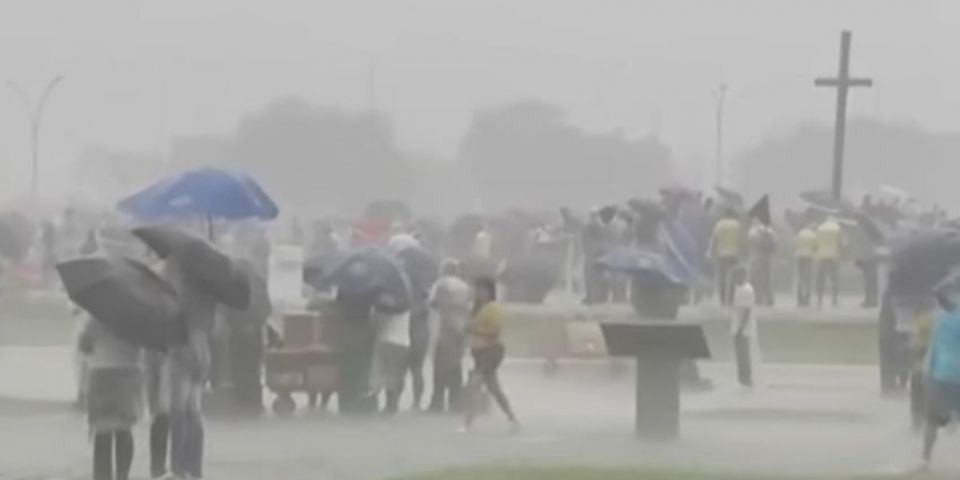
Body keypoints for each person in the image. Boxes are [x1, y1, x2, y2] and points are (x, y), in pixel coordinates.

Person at [78, 316, 142, 480]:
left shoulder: (98, 315)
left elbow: (84, 345)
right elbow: (146, 345)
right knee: (124, 428)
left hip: (101, 372)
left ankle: (102, 476)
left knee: (102, 430)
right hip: (129, 371)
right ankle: (123, 476)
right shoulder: (137, 315)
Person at [462, 277, 519, 432]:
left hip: (490, 352)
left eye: (480, 290)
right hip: (480, 353)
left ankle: (467, 423)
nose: (477, 293)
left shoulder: (492, 308)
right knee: (494, 388)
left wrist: (472, 329)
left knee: (474, 385)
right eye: (476, 290)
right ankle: (512, 418)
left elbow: (495, 330)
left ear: (488, 291)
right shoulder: (479, 308)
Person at [921, 290, 960, 467]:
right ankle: (954, 416)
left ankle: (925, 458)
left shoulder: (939, 321)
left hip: (940, 374)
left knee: (931, 421)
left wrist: (928, 373)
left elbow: (933, 350)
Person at [427, 260, 471, 413]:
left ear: (443, 270)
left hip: (444, 329)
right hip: (461, 329)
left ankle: (437, 402)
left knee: (440, 367)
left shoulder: (441, 284)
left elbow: (433, 303)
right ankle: (455, 401)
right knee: (455, 366)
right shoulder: (465, 286)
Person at [372, 309, 411, 415]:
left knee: (380, 373)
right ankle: (392, 404)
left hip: (385, 340)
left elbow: (375, 322)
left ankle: (379, 404)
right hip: (403, 342)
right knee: (396, 374)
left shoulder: (384, 302)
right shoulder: (405, 301)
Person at [730, 267, 759, 388]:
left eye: (735, 276)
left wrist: (740, 329)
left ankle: (746, 377)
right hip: (737, 326)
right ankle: (742, 377)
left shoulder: (747, 290)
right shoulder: (739, 289)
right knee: (740, 354)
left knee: (743, 354)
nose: (733, 279)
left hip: (743, 328)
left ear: (742, 276)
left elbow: (746, 311)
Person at [708, 209, 742, 306]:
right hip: (734, 254)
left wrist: (711, 252)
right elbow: (741, 240)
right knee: (732, 277)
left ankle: (723, 300)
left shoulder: (719, 224)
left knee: (722, 278)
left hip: (721, 254)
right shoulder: (737, 224)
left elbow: (715, 239)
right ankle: (731, 299)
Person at [815, 216, 844, 308]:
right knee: (834, 279)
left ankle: (819, 299)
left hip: (822, 256)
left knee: (821, 279)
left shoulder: (820, 228)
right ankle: (834, 299)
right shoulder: (838, 228)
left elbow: (816, 242)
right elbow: (841, 243)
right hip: (834, 256)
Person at [747, 221, 777, 307]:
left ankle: (755, 298)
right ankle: (769, 299)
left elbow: (751, 241)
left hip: (756, 257)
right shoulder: (770, 231)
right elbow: (775, 244)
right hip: (767, 257)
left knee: (754, 278)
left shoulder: (753, 231)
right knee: (768, 278)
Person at [794, 225, 817, 307]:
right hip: (809, 257)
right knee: (808, 279)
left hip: (799, 256)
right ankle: (807, 299)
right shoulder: (813, 234)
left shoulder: (799, 233)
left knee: (800, 278)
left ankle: (799, 298)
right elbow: (816, 246)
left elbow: (795, 244)